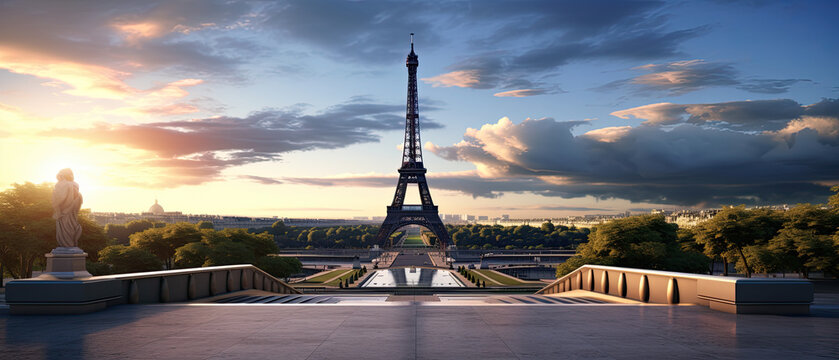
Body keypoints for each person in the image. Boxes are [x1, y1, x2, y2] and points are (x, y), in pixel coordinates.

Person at [52, 168, 83, 250]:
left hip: (64, 213)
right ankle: (70, 244)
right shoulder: (75, 186)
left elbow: (60, 198)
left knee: (65, 228)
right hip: (72, 213)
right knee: (71, 227)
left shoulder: (63, 184)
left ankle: (66, 245)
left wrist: (56, 207)